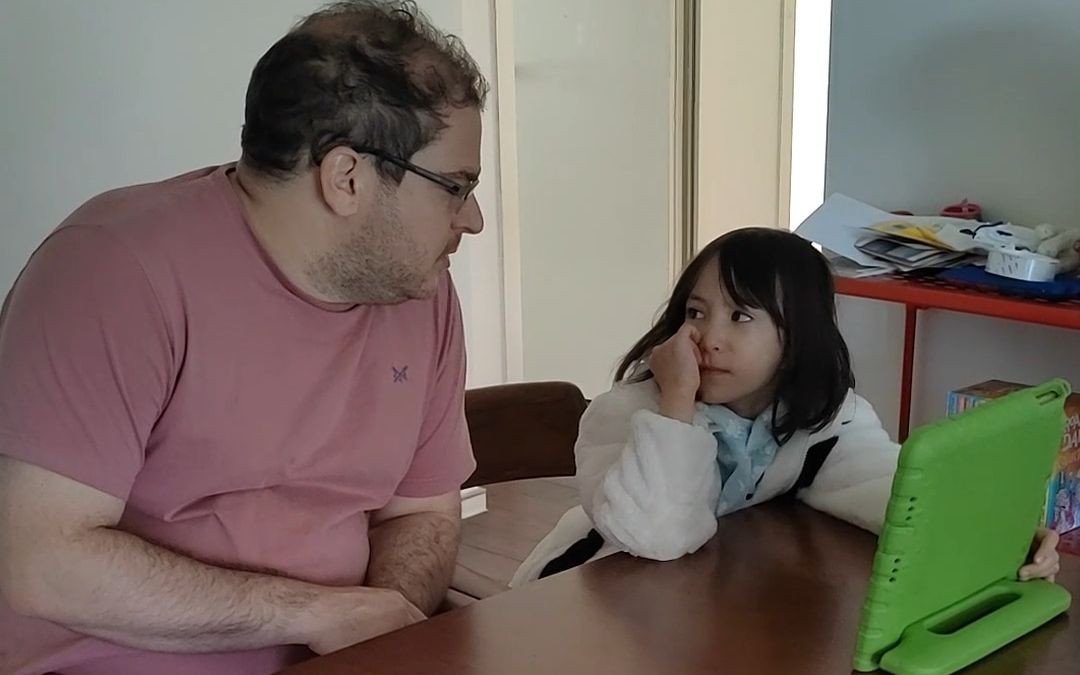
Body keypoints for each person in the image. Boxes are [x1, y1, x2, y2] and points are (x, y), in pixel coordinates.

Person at [0, 2, 488, 673]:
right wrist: (313, 613)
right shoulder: (113, 269)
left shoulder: (418, 294)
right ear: (346, 178)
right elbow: (39, 558)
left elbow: (424, 513)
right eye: (456, 187)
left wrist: (377, 630)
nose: (473, 219)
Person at [512, 228, 1061, 585]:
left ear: (796, 335)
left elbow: (893, 492)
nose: (709, 338)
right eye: (697, 313)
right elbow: (655, 536)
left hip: (699, 604)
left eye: (740, 317)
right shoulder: (628, 412)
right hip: (587, 596)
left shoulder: (820, 418)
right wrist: (676, 403)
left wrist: (1002, 535)